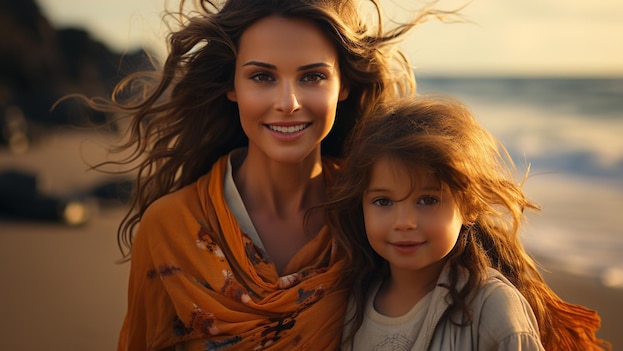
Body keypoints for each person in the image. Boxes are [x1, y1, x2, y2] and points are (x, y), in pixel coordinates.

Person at [76, 0, 449, 349]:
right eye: (262, 77)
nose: (288, 103)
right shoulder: (170, 227)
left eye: (313, 76)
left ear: (344, 85)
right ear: (231, 85)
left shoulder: (380, 211)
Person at [325, 96, 611, 351]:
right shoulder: (354, 299)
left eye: (427, 200)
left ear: (470, 207)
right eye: (383, 202)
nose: (404, 222)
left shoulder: (492, 307)